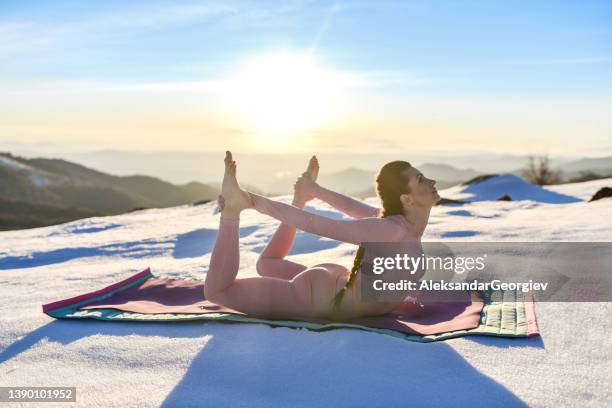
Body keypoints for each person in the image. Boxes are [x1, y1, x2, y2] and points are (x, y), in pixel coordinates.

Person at [204, 151, 440, 320]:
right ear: (407, 200)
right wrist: (251, 201)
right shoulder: (393, 230)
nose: (432, 181)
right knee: (217, 291)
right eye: (421, 179)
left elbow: (356, 210)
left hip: (333, 285)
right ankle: (232, 212)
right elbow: (320, 225)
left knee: (267, 264)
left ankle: (300, 198)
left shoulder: (400, 226)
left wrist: (313, 191)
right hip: (316, 298)